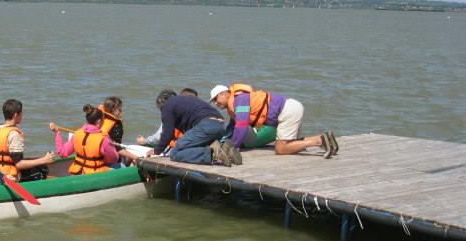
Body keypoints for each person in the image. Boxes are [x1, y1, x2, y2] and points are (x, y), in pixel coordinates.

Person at [209, 83, 337, 158]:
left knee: (280, 149)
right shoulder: (236, 102)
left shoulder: (239, 100)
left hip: (287, 111)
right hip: (291, 107)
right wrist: (222, 141)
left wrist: (233, 147)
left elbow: (241, 126)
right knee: (290, 144)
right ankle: (325, 139)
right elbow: (232, 127)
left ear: (225, 94)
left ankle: (319, 141)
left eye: (216, 99)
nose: (215, 103)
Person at [139, 89, 238, 166]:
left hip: (207, 125)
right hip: (220, 126)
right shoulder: (187, 100)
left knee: (175, 152)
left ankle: (213, 154)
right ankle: (224, 148)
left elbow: (167, 133)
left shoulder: (167, 106)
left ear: (162, 104)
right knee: (188, 146)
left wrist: (156, 150)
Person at [0, 99, 56, 184]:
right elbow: (19, 164)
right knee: (42, 168)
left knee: (33, 162)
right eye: (21, 113)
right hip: (10, 176)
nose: (22, 116)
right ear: (16, 115)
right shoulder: (14, 134)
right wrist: (44, 160)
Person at [51, 104, 140, 174]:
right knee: (121, 166)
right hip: (95, 173)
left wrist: (57, 133)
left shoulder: (77, 133)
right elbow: (114, 159)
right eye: (103, 120)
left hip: (78, 171)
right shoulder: (103, 138)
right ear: (99, 121)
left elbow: (62, 153)